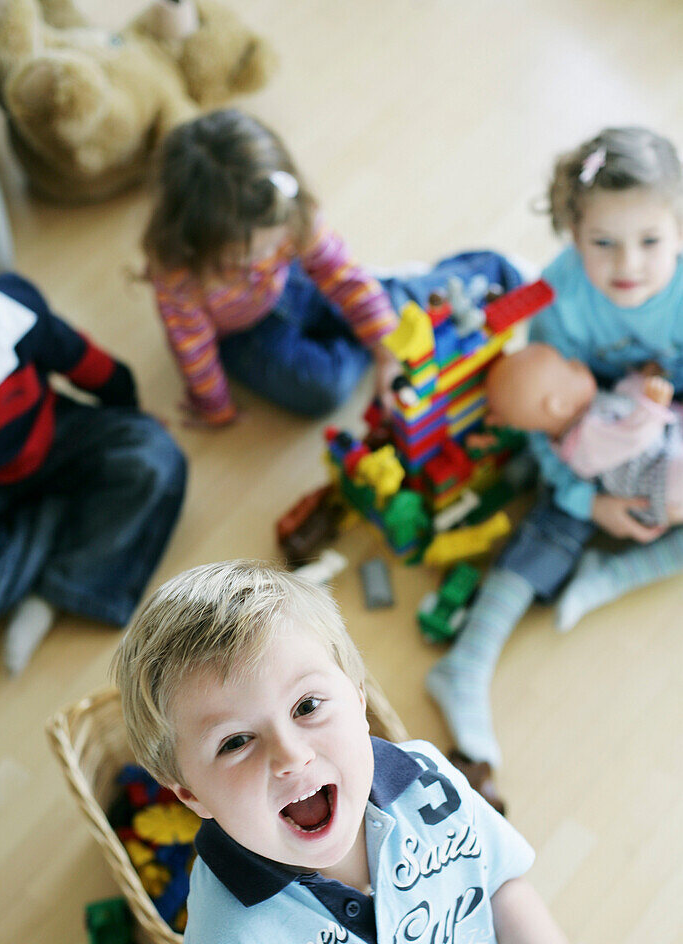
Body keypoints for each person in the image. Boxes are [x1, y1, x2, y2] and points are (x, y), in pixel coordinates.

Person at [113, 561, 679, 944]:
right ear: (189, 795)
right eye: (235, 741)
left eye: (307, 705)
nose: (290, 755)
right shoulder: (226, 943)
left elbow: (496, 881)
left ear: (358, 699)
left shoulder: (427, 783)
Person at [426, 125, 683, 770]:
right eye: (603, 243)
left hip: (662, 429)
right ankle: (467, 663)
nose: (628, 265)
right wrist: (590, 505)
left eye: (651, 242)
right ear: (572, 235)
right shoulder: (557, 305)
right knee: (556, 517)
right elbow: (540, 421)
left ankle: (614, 575)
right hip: (588, 433)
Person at [142, 108, 524, 427]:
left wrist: (387, 352)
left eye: (275, 244)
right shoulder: (180, 277)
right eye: (243, 258)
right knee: (325, 388)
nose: (262, 259)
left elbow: (337, 272)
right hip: (244, 334)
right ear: (194, 245)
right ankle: (384, 298)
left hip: (297, 285)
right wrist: (214, 406)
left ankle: (481, 271)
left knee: (375, 305)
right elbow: (192, 347)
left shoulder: (287, 211)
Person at [0, 239, 187, 673]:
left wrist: (128, 413)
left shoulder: (15, 312)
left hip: (53, 435)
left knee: (154, 457)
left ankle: (56, 591)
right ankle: (70, 514)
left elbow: (87, 364)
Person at [485, 343, 683, 528]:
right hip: (659, 479)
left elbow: (623, 401)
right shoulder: (584, 443)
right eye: (569, 366)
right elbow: (633, 438)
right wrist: (652, 407)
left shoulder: (588, 416)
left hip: (667, 440)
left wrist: (641, 381)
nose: (576, 362)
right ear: (559, 406)